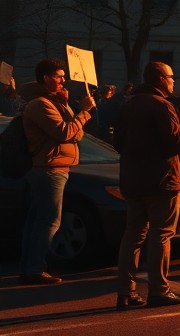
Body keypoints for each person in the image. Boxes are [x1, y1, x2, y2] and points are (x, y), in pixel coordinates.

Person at [114, 61, 180, 308]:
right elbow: (178, 143)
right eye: (170, 76)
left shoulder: (129, 104)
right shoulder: (162, 105)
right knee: (161, 235)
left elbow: (117, 143)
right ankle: (159, 290)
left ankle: (125, 292)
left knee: (132, 236)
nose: (173, 81)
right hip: (162, 181)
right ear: (159, 79)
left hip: (133, 181)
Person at [19, 58, 95, 285]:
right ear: (46, 78)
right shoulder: (40, 105)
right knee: (48, 221)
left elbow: (77, 134)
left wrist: (74, 114)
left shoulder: (55, 103)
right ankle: (34, 269)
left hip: (55, 167)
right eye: (59, 76)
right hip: (49, 170)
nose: (64, 80)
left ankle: (30, 267)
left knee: (38, 221)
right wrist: (83, 112)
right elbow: (64, 132)